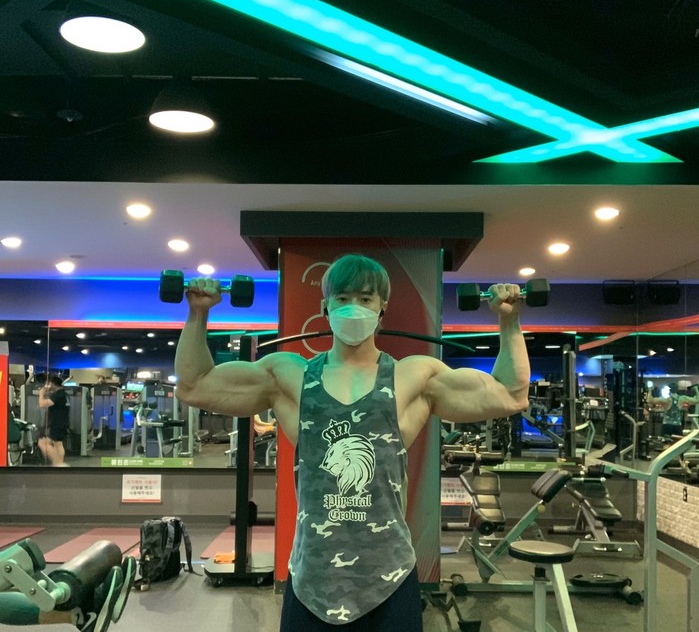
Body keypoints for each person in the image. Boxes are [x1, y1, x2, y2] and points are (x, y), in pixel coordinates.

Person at [175, 254, 530, 631]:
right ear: (325, 307)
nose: (353, 308)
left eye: (365, 298)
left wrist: (509, 321)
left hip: (389, 578)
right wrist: (198, 313)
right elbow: (195, 386)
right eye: (342, 298)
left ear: (382, 308)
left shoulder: (413, 377)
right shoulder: (290, 376)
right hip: (312, 581)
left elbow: (510, 394)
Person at [37, 375, 70, 467]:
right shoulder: (64, 394)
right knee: (58, 444)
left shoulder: (58, 394)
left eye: (49, 383)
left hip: (55, 423)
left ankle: (57, 463)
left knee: (42, 443)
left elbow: (42, 404)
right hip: (63, 422)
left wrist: (41, 394)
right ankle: (60, 463)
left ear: (53, 384)